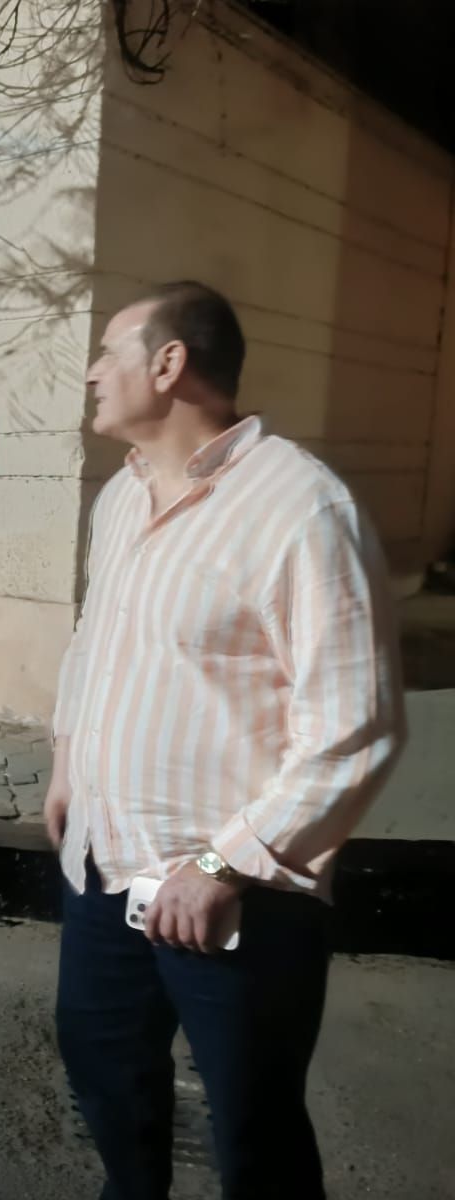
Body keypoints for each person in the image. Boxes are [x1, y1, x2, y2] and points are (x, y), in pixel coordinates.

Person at [46, 281, 405, 1200]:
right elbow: (94, 640)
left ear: (169, 364)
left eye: (110, 351)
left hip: (236, 899)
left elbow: (356, 726)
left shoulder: (300, 507)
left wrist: (220, 865)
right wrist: (66, 760)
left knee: (254, 1133)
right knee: (106, 1080)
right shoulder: (119, 499)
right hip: (104, 869)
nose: (92, 371)